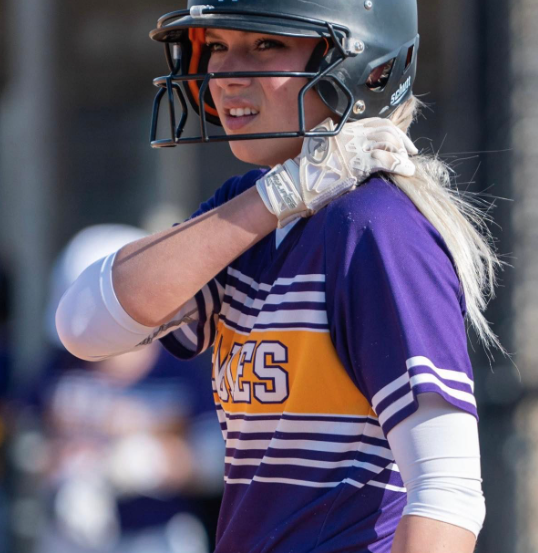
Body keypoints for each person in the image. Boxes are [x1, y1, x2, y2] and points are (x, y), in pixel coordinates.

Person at [56, 1, 501, 551]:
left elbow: (448, 492)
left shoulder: (376, 228)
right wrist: (278, 195)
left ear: (369, 68)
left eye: (266, 45)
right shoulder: (252, 212)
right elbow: (84, 325)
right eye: (217, 46)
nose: (223, 74)